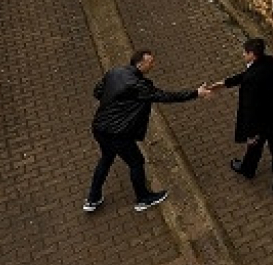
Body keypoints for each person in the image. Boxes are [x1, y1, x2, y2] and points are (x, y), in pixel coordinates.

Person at [86, 48, 216, 213]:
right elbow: (165, 96)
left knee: (106, 158)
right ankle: (143, 198)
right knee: (136, 162)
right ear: (140, 64)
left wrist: (117, 104)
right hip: (118, 134)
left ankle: (93, 198)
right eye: (150, 62)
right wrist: (196, 93)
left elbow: (97, 92)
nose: (153, 65)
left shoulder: (114, 72)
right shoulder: (139, 85)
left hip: (99, 128)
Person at [217, 38, 273, 198]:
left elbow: (249, 109)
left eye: (245, 52)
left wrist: (250, 134)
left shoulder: (252, 80)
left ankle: (249, 170)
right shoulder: (271, 62)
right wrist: (224, 83)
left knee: (257, 145)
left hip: (262, 122)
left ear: (253, 55)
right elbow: (246, 75)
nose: (243, 54)